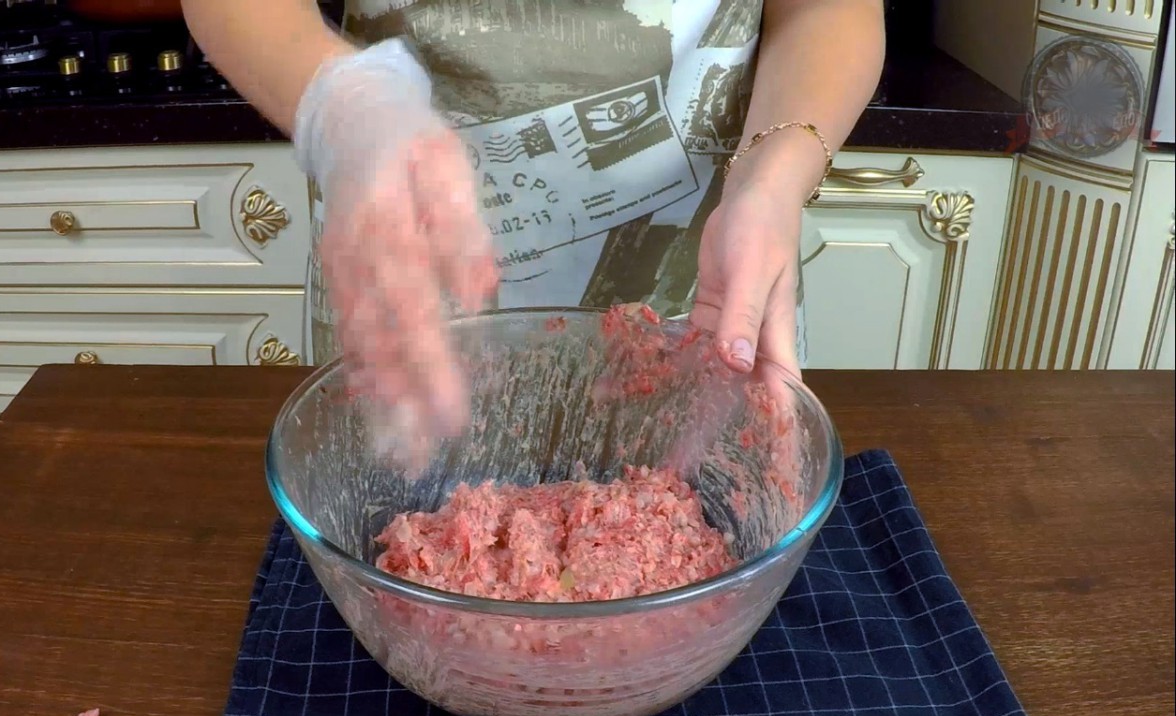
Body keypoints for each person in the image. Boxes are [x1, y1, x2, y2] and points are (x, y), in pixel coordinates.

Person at [182, 0, 886, 467]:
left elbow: (829, 9)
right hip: (407, 275)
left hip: (708, 292)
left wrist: (772, 178)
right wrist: (349, 107)